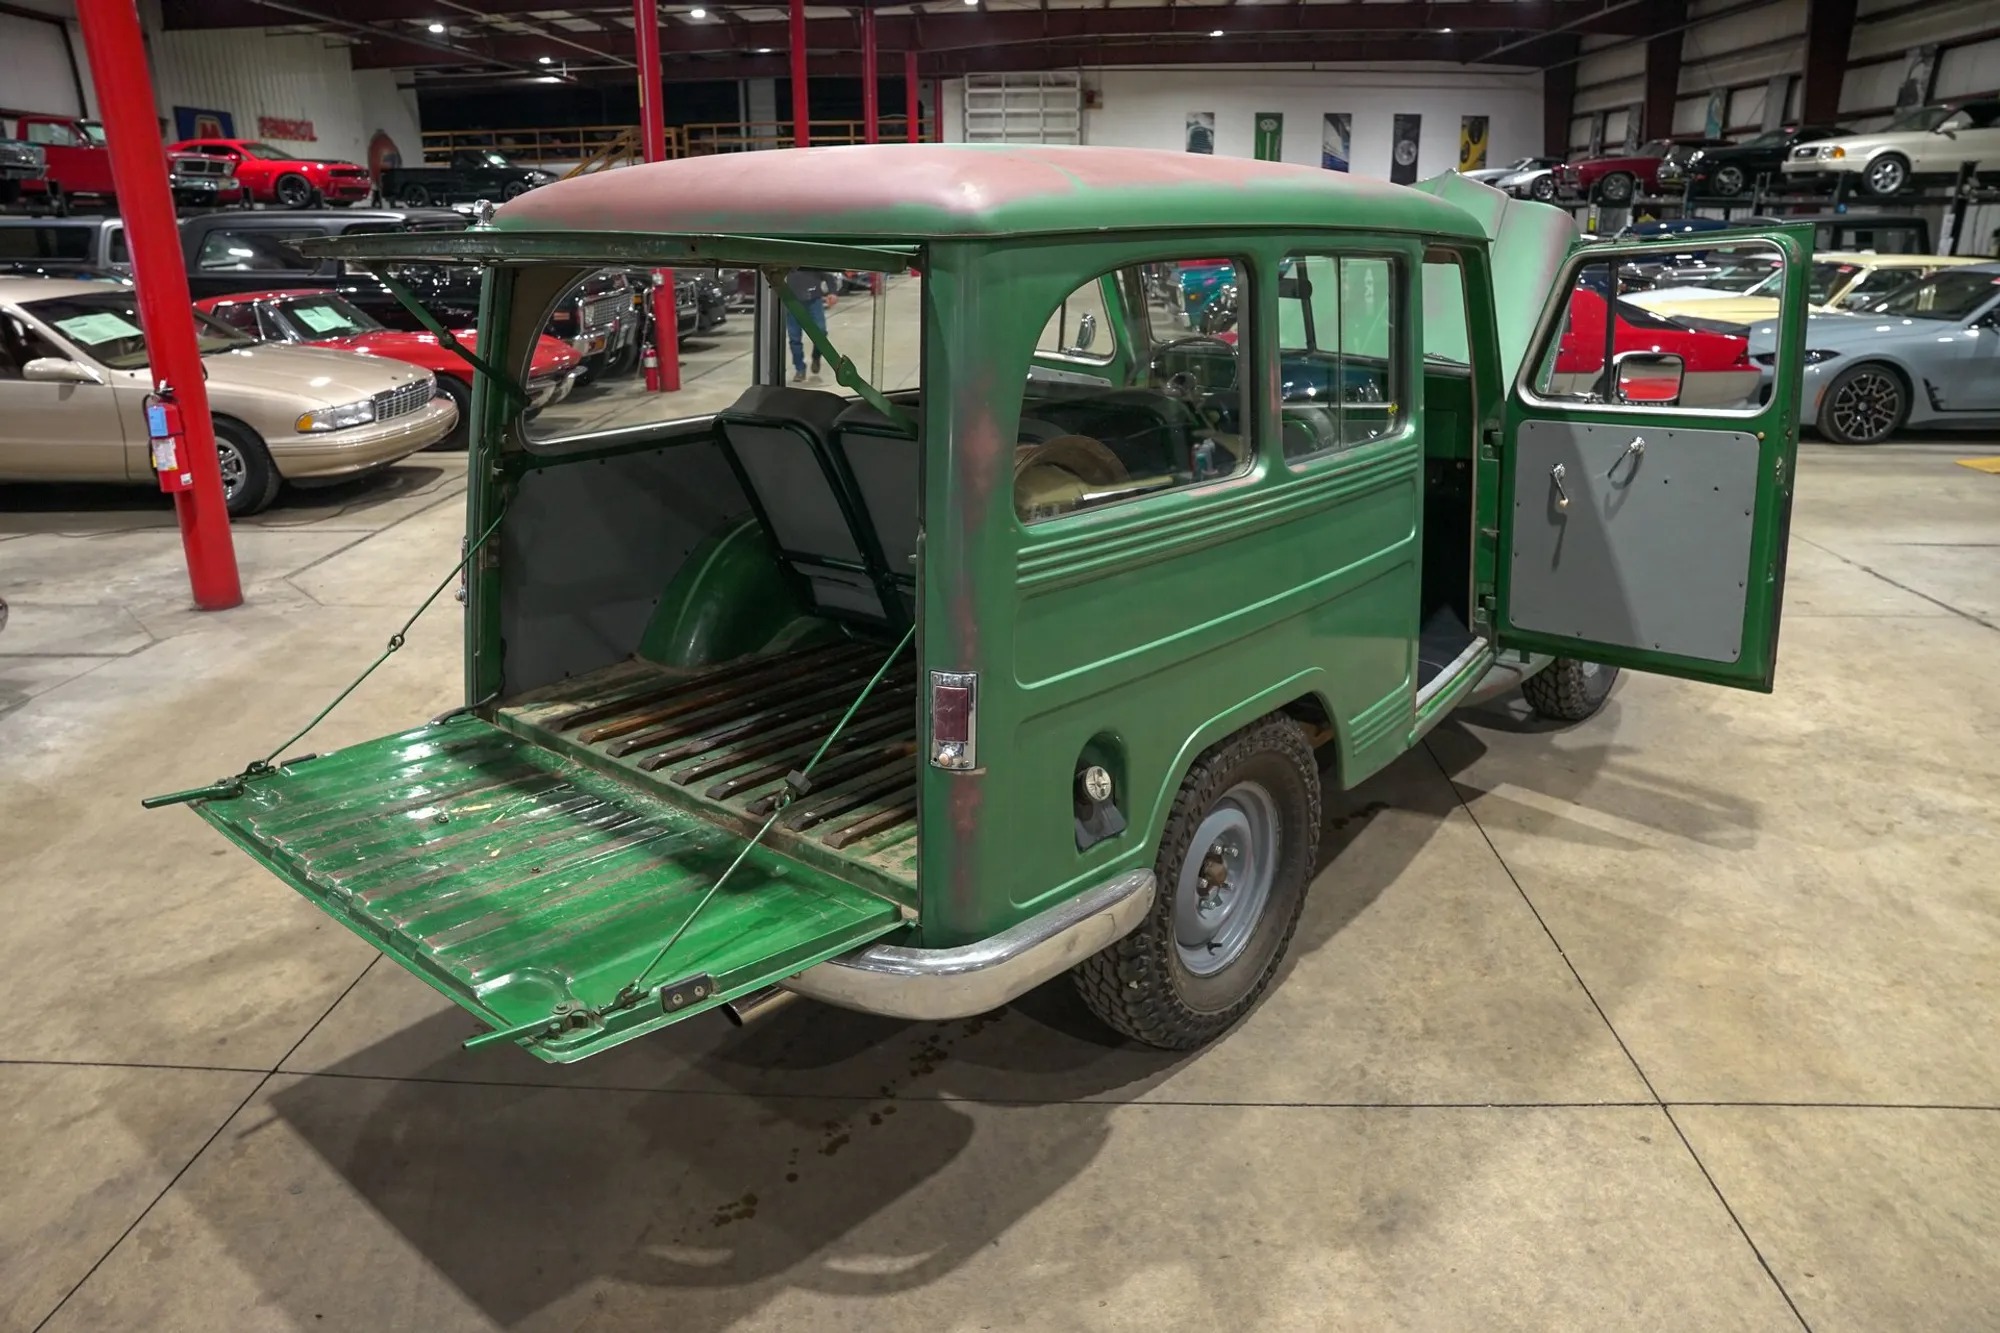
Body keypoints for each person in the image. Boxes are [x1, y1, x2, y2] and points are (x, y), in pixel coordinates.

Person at [785, 268, 839, 382]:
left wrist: (832, 292)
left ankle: (816, 355)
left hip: (813, 301)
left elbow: (828, 275)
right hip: (792, 301)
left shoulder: (811, 259)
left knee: (821, 332)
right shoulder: (787, 259)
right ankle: (800, 369)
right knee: (794, 338)